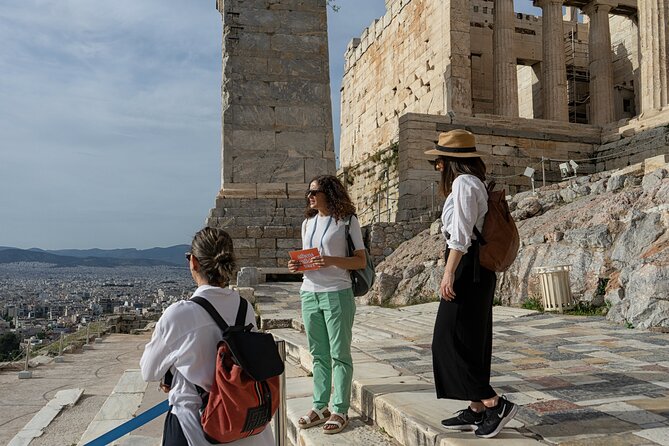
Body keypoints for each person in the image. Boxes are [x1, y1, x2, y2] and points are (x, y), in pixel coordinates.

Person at [140, 227, 274, 446]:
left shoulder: (179, 314)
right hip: (246, 423)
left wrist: (172, 373)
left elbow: (149, 371)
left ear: (193, 262)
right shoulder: (244, 307)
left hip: (197, 425)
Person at [426, 129, 517, 439]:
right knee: (470, 339)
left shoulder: (465, 184)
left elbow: (461, 236)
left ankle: (495, 403)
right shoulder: (467, 184)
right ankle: (476, 408)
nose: (437, 167)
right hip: (473, 268)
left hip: (469, 268)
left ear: (450, 161)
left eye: (438, 161)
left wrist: (449, 272)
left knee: (447, 340)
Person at [287, 174, 366, 435]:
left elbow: (360, 262)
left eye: (314, 192)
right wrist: (296, 265)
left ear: (328, 193)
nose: (309, 196)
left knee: (339, 354)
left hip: (337, 292)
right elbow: (308, 259)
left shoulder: (347, 221)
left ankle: (340, 409)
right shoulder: (307, 223)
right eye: (308, 192)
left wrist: (331, 260)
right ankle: (320, 406)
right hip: (309, 292)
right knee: (318, 354)